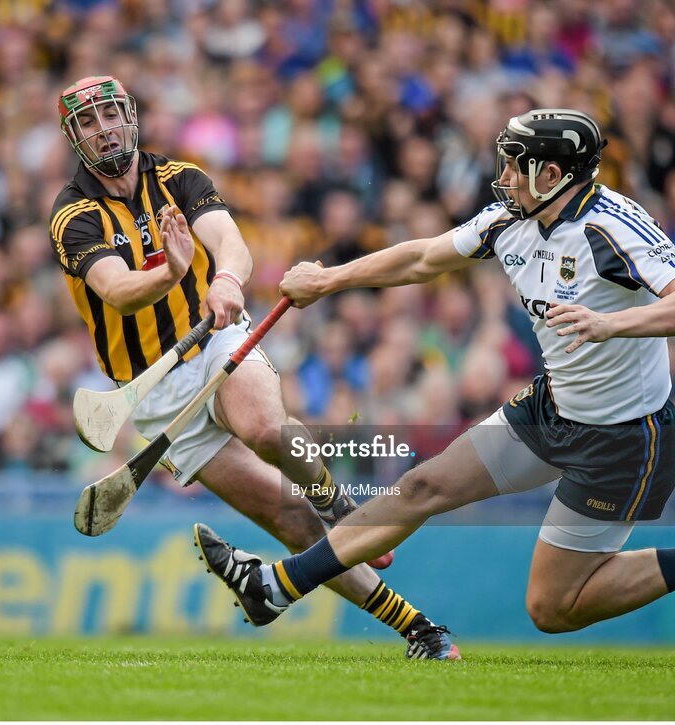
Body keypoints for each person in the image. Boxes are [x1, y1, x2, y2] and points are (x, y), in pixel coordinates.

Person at [194, 108, 675, 643]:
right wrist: (330, 279)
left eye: (513, 164)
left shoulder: (614, 224)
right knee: (422, 487)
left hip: (624, 438)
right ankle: (276, 588)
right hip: (550, 409)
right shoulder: (509, 220)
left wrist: (613, 325)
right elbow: (422, 257)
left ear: (551, 173)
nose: (501, 177)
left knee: (551, 609)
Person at [49, 76, 458, 659]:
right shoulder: (72, 215)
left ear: (129, 115)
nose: (103, 128)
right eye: (88, 122)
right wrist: (169, 272)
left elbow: (230, 241)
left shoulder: (180, 179)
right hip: (156, 390)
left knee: (265, 428)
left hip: (214, 336)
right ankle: (420, 629)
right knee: (288, 519)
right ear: (74, 137)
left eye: (110, 114)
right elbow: (116, 290)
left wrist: (224, 278)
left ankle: (335, 502)